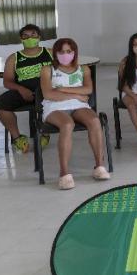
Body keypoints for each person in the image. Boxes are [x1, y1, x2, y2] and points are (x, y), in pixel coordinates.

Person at [39, 38, 110, 190]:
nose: (65, 55)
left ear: (74, 52)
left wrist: (62, 90)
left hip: (78, 105)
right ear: (55, 53)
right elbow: (48, 94)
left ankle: (99, 166)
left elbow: (88, 90)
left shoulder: (83, 69)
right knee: (67, 124)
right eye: (61, 52)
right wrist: (77, 94)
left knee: (94, 121)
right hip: (54, 107)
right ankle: (64, 172)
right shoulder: (47, 70)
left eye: (69, 51)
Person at [0, 24, 53, 153]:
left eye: (33, 35)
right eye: (25, 36)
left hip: (47, 92)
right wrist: (21, 89)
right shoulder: (14, 58)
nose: (29, 38)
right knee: (0, 104)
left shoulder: (50, 53)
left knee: (46, 99)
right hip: (24, 91)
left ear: (39, 37)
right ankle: (17, 138)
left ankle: (45, 132)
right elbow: (7, 81)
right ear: (21, 39)